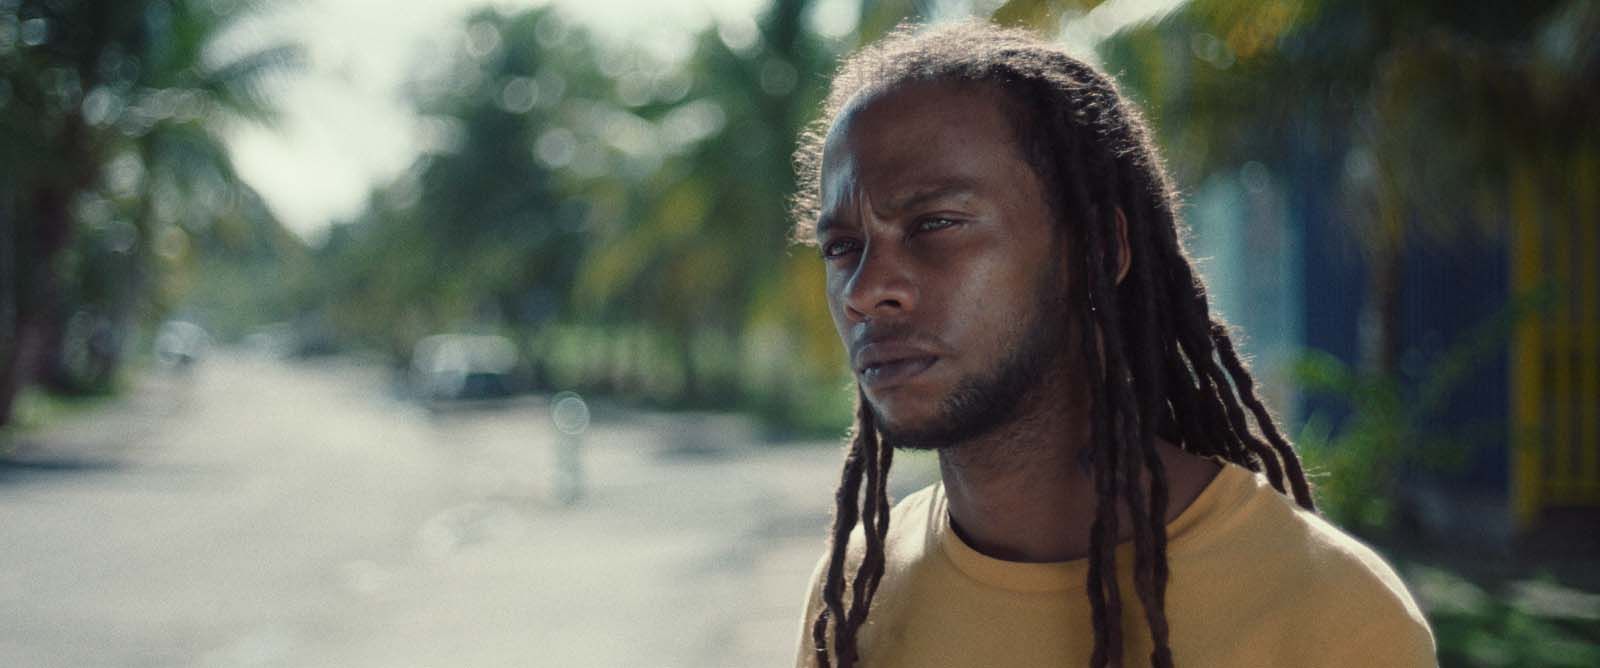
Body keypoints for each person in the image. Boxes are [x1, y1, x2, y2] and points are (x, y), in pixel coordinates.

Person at [788, 21, 1436, 668]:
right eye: (841, 247)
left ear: (1098, 248)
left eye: (935, 224)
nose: (865, 290)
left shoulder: (1332, 618)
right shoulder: (854, 598)